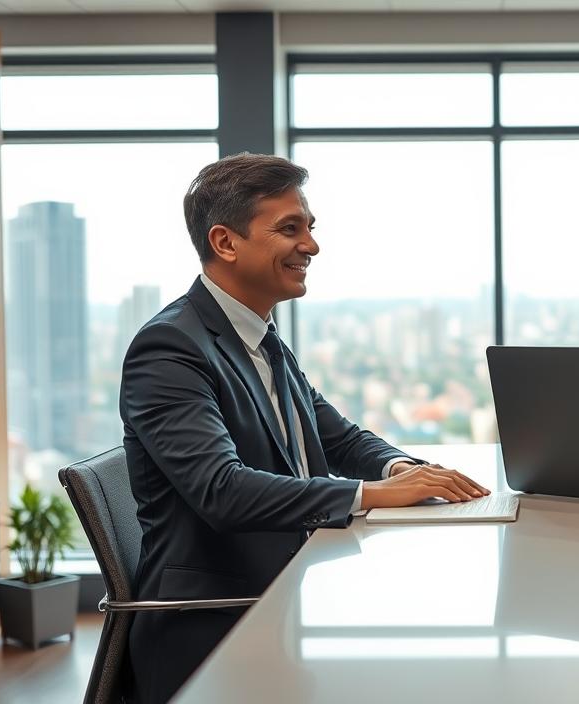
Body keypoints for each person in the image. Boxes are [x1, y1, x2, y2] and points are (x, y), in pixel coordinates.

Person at [120, 153, 489, 703]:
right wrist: (373, 494)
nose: (312, 245)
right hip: (214, 624)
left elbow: (336, 436)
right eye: (289, 229)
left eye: (310, 228)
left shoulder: (260, 337)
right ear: (225, 243)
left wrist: (405, 469)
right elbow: (222, 491)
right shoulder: (170, 348)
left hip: (286, 592)